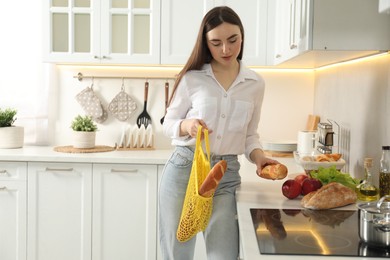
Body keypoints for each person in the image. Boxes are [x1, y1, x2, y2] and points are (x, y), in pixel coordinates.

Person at [159, 6, 279, 260]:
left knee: (224, 254)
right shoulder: (192, 78)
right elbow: (168, 122)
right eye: (216, 43)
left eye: (232, 40)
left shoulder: (255, 84)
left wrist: (259, 157)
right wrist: (187, 125)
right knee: (177, 250)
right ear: (206, 44)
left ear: (242, 37)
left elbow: (250, 136)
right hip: (184, 169)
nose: (225, 50)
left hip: (225, 175)